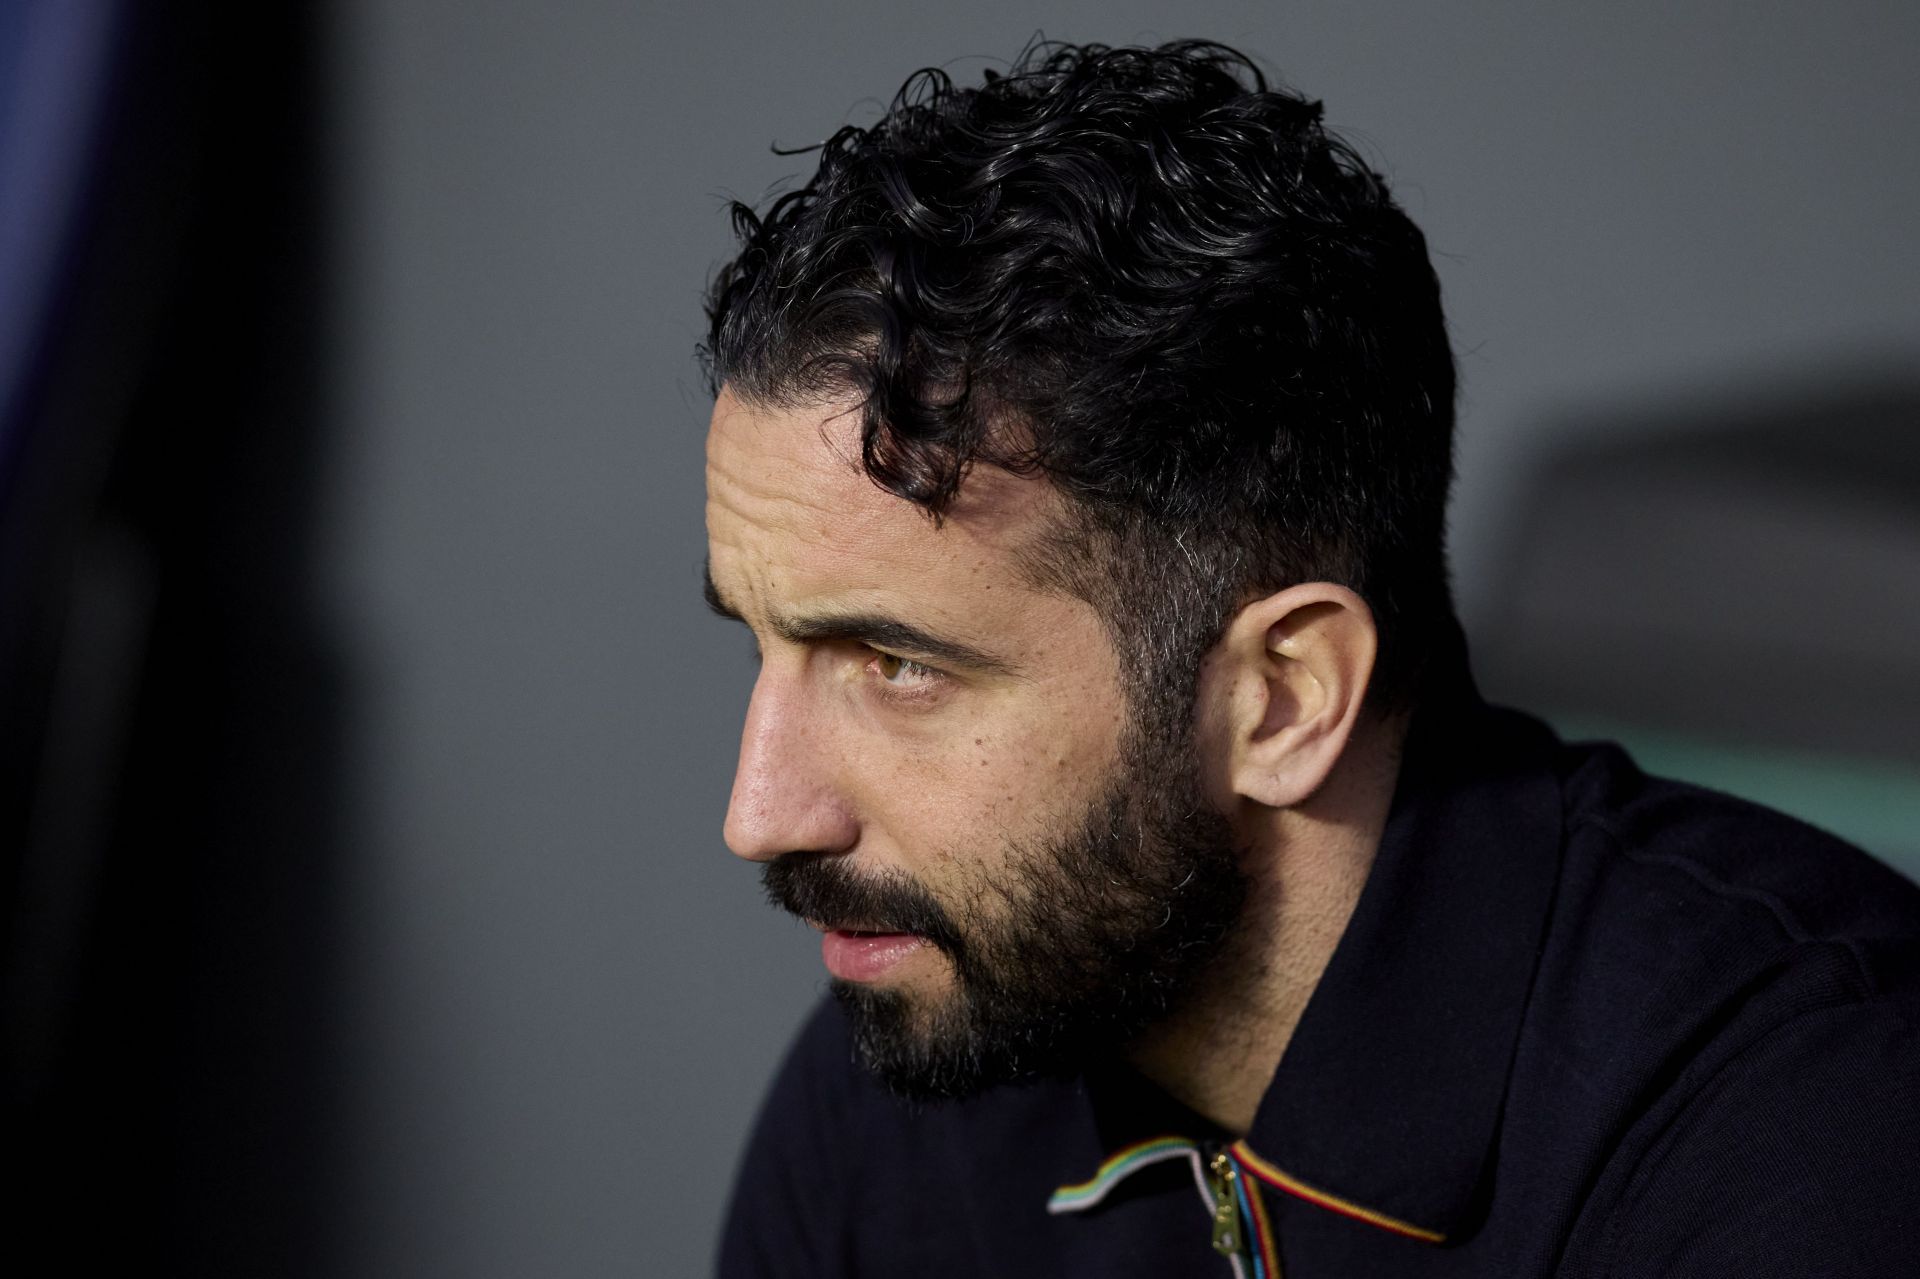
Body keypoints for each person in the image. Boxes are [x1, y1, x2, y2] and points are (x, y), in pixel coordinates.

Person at [698, 40, 1920, 1278]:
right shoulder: (913, 1085)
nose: (761, 815)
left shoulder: (1807, 1127)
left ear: (1283, 698)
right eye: (764, 641)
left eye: (897, 665)